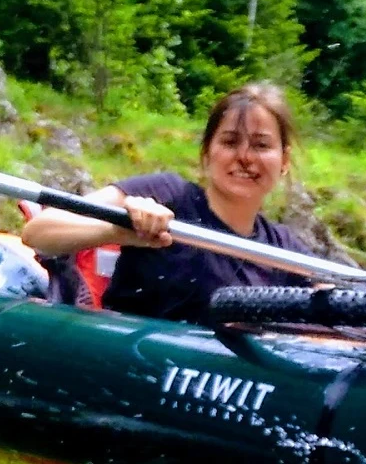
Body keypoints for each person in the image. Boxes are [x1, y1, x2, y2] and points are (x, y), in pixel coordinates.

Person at [20, 84, 313, 322]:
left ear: (284, 161)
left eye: (261, 145)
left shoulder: (284, 249)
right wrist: (119, 230)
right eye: (230, 142)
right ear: (207, 152)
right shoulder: (167, 194)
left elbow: (341, 300)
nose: (245, 157)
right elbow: (40, 232)